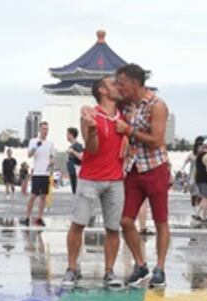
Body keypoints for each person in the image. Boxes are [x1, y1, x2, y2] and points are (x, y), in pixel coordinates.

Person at [62, 77, 127, 288]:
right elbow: (91, 148)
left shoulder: (123, 115)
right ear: (102, 90)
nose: (118, 86)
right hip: (90, 178)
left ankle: (109, 272)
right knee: (78, 224)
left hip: (116, 179)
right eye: (113, 83)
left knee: (113, 228)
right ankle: (71, 269)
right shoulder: (91, 115)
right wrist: (91, 130)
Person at [115, 63, 170, 288]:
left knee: (160, 220)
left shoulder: (157, 105)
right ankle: (140, 264)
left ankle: (160, 267)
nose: (119, 87)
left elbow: (157, 140)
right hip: (134, 168)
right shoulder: (127, 105)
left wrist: (130, 132)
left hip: (155, 166)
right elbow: (106, 96)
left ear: (135, 83)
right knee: (126, 220)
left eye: (122, 83)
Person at [23, 121, 54, 227]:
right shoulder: (33, 141)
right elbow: (29, 155)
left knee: (43, 197)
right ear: (39, 130)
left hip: (45, 173)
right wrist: (36, 146)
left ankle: (40, 217)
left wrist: (51, 162)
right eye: (44, 129)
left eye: (47, 129)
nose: (46, 131)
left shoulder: (50, 143)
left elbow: (52, 157)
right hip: (37, 173)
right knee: (33, 196)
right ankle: (27, 217)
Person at [193, 141, 207, 221]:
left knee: (203, 197)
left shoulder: (199, 155)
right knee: (206, 198)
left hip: (199, 178)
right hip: (205, 179)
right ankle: (203, 216)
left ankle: (197, 213)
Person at [66, 127, 83, 194]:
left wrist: (72, 151)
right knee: (75, 192)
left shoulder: (77, 146)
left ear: (71, 134)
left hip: (77, 173)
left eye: (67, 134)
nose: (66, 136)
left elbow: (81, 157)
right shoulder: (71, 146)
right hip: (72, 173)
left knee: (78, 193)